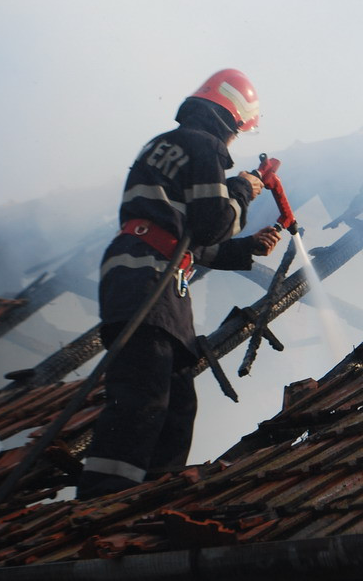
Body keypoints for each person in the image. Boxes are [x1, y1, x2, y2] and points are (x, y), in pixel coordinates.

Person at [77, 69, 281, 500]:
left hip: (150, 275)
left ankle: (153, 492)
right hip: (149, 279)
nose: (233, 142)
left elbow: (184, 239)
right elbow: (212, 223)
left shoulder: (166, 145)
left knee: (176, 398)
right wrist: (243, 188)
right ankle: (105, 495)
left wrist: (245, 249)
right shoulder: (204, 145)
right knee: (144, 393)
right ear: (231, 119)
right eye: (238, 132)